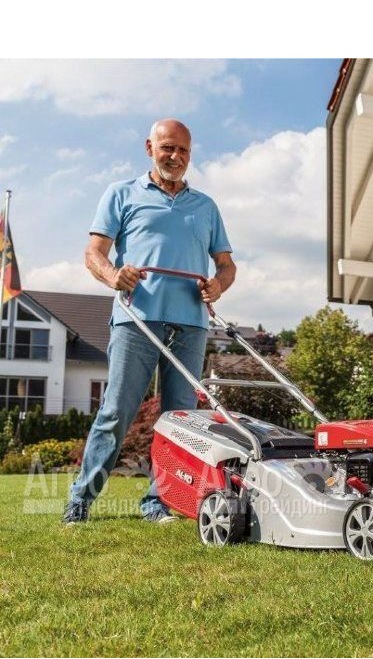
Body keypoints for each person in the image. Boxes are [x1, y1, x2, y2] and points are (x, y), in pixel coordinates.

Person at [63, 118, 236, 525]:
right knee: (116, 411)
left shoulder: (206, 207)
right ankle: (80, 500)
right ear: (150, 148)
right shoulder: (121, 193)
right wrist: (113, 275)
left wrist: (218, 285)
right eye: (168, 148)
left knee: (181, 420)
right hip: (136, 320)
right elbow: (94, 253)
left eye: (183, 150)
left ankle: (158, 502)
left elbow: (227, 265)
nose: (175, 156)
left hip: (190, 324)